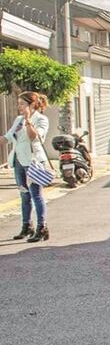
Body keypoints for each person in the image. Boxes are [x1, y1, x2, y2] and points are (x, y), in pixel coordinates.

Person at [5, 91, 51, 242]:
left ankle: (42, 227)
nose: (19, 107)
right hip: (18, 160)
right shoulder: (18, 120)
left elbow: (35, 137)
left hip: (33, 162)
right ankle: (27, 226)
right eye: (18, 104)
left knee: (36, 195)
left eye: (22, 104)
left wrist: (28, 120)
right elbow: (8, 136)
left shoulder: (41, 119)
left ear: (32, 105)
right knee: (24, 194)